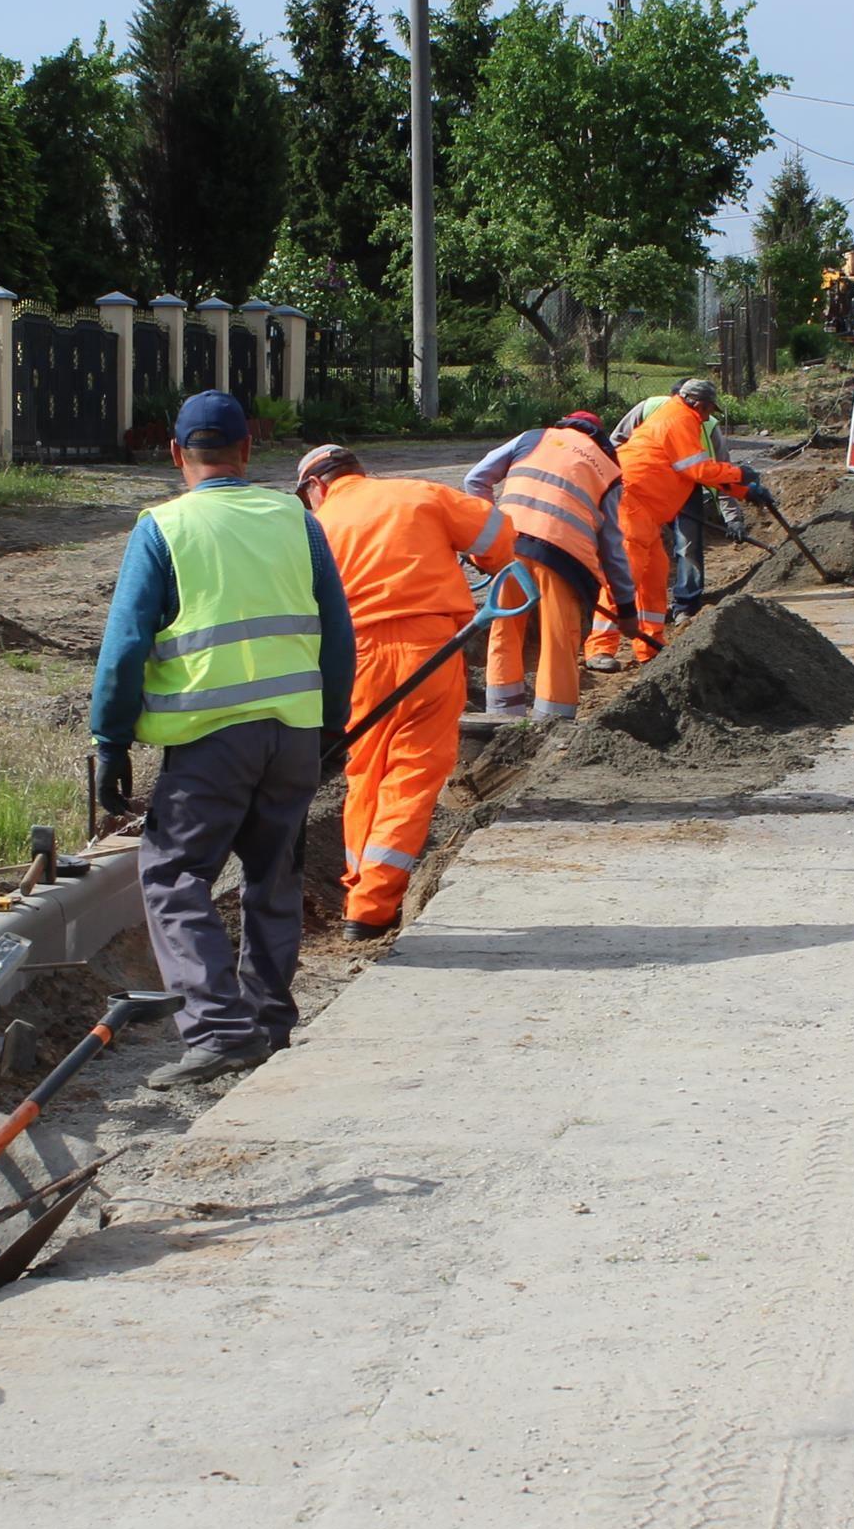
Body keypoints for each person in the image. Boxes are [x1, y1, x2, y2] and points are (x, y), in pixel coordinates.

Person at [90, 391, 357, 1090]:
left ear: (177, 454)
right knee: (275, 878)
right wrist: (333, 727)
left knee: (174, 875)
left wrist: (110, 740)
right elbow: (338, 636)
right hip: (294, 735)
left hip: (212, 740)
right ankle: (267, 1020)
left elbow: (123, 648)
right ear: (247, 451)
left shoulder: (164, 527)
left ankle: (217, 1028)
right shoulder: (297, 520)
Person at [294, 442, 514, 942]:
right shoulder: (419, 494)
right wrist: (485, 559)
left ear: (317, 485)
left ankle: (358, 888)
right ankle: (372, 906)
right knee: (413, 771)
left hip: (356, 658)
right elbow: (498, 534)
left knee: (366, 770)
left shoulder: (314, 528)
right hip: (429, 650)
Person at [460, 412, 632, 722]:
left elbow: (475, 479)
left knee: (504, 629)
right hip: (563, 559)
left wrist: (489, 530)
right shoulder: (608, 468)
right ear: (599, 438)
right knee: (558, 638)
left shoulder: (532, 437)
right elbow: (613, 549)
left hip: (509, 546)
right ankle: (553, 721)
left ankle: (501, 714)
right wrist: (627, 609)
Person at [594, 377, 773, 668]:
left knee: (655, 574)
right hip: (632, 502)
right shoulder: (679, 419)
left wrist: (745, 491)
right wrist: (741, 475)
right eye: (708, 410)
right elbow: (697, 468)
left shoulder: (682, 417)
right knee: (625, 575)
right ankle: (600, 649)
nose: (708, 416)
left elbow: (696, 472)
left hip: (647, 509)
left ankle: (649, 646)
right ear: (699, 404)